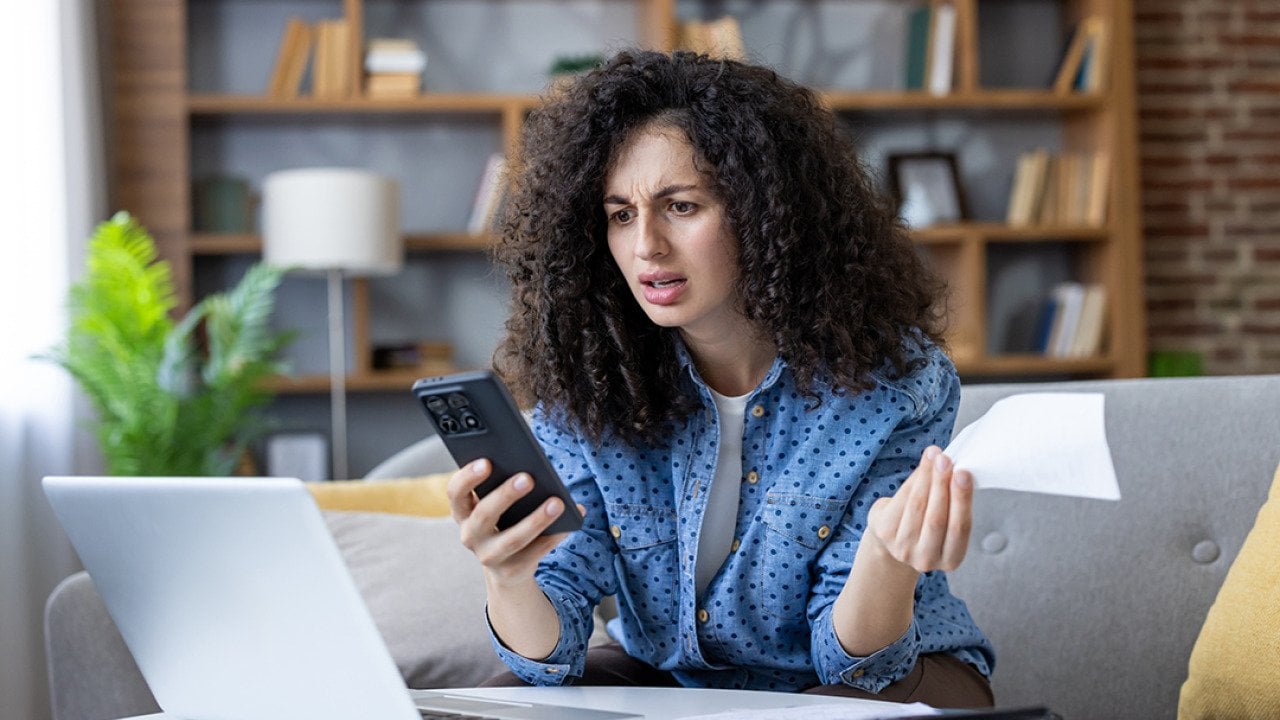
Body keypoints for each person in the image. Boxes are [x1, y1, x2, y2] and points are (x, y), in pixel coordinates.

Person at [446, 49, 995, 708]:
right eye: (621, 213)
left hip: (884, 676)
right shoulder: (590, 385)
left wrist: (885, 557)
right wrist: (508, 574)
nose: (646, 244)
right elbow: (551, 657)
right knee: (489, 706)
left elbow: (855, 669)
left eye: (680, 206)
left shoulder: (894, 383)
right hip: (675, 680)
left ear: (765, 212)